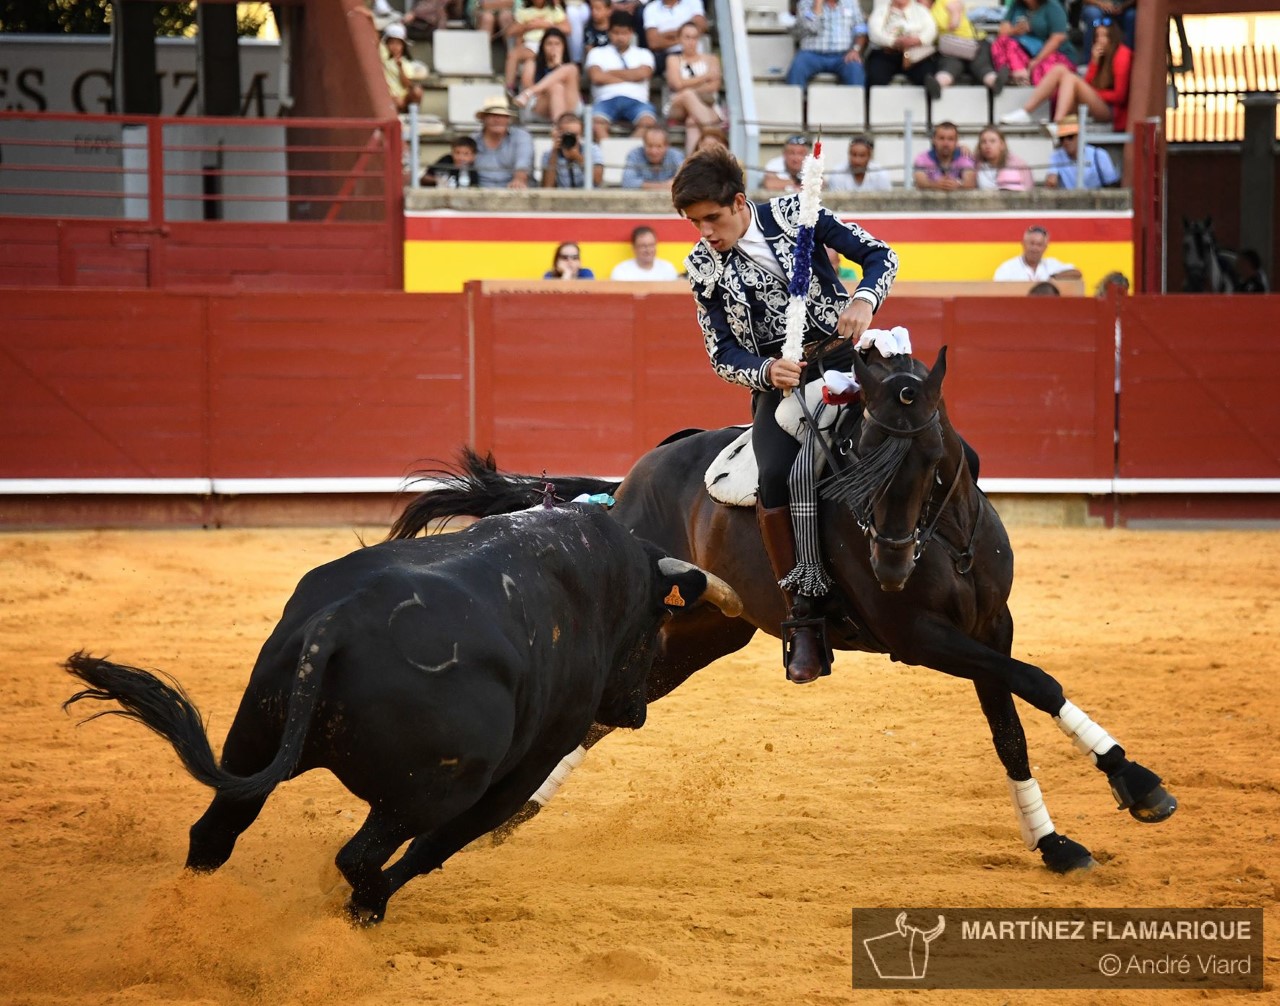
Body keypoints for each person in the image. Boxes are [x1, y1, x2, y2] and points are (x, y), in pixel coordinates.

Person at [672, 145, 898, 683]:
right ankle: (803, 618)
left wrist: (864, 299)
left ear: (739, 201)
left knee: (915, 426)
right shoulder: (701, 266)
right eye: (693, 223)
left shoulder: (798, 214)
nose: (704, 231)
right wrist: (765, 371)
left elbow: (880, 255)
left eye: (712, 218)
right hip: (783, 386)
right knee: (774, 476)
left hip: (846, 360)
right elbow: (722, 352)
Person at [1000, 22, 1131, 128]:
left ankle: (1057, 123)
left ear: (1113, 37)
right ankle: (1025, 112)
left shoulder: (1122, 54)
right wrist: (1094, 63)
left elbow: (1119, 96)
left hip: (1112, 111)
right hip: (1096, 102)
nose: (1100, 40)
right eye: (1097, 36)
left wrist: (1094, 92)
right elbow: (1088, 84)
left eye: (1104, 36)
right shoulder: (1100, 56)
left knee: (1071, 78)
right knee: (1059, 69)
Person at [585, 10, 659, 141]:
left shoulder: (644, 53)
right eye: (616, 33)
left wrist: (609, 73)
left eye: (624, 33)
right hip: (605, 99)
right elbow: (596, 77)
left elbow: (643, 74)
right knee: (596, 124)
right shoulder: (596, 52)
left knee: (648, 123)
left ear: (631, 33)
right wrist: (631, 75)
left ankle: (625, 153)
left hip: (637, 100)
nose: (620, 37)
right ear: (609, 32)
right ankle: (609, 154)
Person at [663, 21, 726, 154]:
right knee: (686, 95)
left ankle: (692, 161)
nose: (691, 42)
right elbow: (676, 84)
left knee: (692, 122)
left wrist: (688, 85)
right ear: (680, 39)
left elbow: (714, 86)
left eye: (694, 37)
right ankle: (714, 134)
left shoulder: (711, 59)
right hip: (678, 106)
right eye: (687, 37)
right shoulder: (673, 59)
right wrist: (705, 77)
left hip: (706, 105)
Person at [990, 0, 1077, 88]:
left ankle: (1021, 78)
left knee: (1043, 67)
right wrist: (1014, 30)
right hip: (1025, 51)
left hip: (1051, 53)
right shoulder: (1017, 5)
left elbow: (1057, 38)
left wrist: (1036, 60)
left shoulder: (1053, 6)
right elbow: (1002, 31)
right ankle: (1019, 75)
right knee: (1002, 41)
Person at [866, 0, 941, 100]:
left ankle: (928, 110)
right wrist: (893, 42)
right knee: (876, 77)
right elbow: (874, 33)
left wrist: (918, 40)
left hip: (915, 54)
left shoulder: (921, 10)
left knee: (926, 74)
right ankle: (874, 109)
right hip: (886, 53)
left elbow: (931, 30)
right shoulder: (881, 10)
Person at [785, 0, 868, 89]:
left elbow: (861, 30)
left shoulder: (851, 3)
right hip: (811, 54)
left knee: (855, 69)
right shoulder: (805, 3)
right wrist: (817, 5)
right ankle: (795, 102)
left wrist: (856, 49)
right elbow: (812, 27)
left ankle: (854, 103)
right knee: (797, 68)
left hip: (843, 55)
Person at [930, 0, 1003, 95]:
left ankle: (995, 82)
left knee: (981, 65)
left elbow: (955, 23)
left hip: (972, 43)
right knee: (949, 66)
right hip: (950, 47)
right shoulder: (921, 9)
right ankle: (937, 85)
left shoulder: (945, 2)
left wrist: (954, 14)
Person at [514, 27, 583, 122]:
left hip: (569, 106)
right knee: (556, 87)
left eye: (557, 44)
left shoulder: (568, 68)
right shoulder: (532, 64)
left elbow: (574, 90)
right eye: (549, 44)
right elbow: (527, 86)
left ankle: (531, 92)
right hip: (539, 105)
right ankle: (560, 128)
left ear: (564, 46)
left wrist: (558, 67)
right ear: (543, 46)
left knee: (572, 69)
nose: (553, 48)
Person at [503, 0, 568, 95]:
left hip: (548, 44)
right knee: (513, 55)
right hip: (530, 45)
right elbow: (509, 32)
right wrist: (528, 26)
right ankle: (509, 88)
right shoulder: (524, 12)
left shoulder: (554, 10)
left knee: (530, 65)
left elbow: (567, 29)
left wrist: (548, 25)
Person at [471, 95, 535, 188]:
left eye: (502, 116)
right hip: (479, 190)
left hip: (512, 190)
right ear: (484, 119)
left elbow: (523, 165)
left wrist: (518, 180)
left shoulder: (522, 137)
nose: (497, 119)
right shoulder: (473, 139)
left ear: (508, 119)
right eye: (492, 115)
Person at [1044, 116, 1119, 189]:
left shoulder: (1099, 155)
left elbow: (1112, 185)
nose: (1065, 142)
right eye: (1061, 138)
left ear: (1080, 136)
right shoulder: (1056, 156)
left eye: (1070, 136)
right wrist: (1051, 181)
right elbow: (1051, 178)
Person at [993, 224, 1082, 281]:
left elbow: (1077, 274)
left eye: (1039, 245)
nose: (1035, 248)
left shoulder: (1052, 264)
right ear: (1023, 244)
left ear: (1045, 248)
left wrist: (1054, 278)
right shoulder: (1007, 268)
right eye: (1031, 243)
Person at [541, 112, 605, 187]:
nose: (571, 138)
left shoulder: (592, 149)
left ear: (581, 134)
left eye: (575, 135)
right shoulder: (549, 154)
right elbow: (547, 186)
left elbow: (598, 180)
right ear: (558, 133)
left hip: (588, 196)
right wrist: (554, 153)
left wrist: (578, 157)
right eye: (567, 134)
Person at [912, 120, 976, 191]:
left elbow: (970, 183)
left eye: (950, 139)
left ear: (956, 141)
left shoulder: (964, 157)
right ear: (934, 140)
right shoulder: (922, 158)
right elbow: (920, 182)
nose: (946, 143)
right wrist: (935, 185)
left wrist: (957, 185)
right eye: (941, 138)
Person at [380, 23, 427, 114]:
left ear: (403, 46)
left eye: (398, 43)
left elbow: (406, 84)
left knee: (417, 90)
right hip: (389, 97)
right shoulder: (383, 58)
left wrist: (400, 67)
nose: (395, 47)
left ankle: (412, 115)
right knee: (394, 102)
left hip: (403, 98)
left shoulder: (406, 64)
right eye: (392, 43)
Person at [642, 0, 709, 63]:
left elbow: (701, 26)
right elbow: (654, 43)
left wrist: (666, 35)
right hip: (668, 56)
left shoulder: (693, 1)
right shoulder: (651, 8)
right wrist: (685, 35)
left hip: (695, 52)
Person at [972, 126, 1033, 191]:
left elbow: (1028, 189)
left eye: (992, 141)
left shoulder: (1017, 164)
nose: (988, 145)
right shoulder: (975, 163)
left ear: (1002, 145)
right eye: (983, 142)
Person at [610, 226, 681, 280]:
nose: (648, 250)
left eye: (651, 245)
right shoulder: (621, 271)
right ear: (634, 248)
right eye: (643, 246)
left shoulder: (667, 268)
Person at [826, 135, 892, 192]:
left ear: (870, 157)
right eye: (854, 155)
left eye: (862, 155)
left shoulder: (880, 175)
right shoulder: (838, 173)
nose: (857, 161)